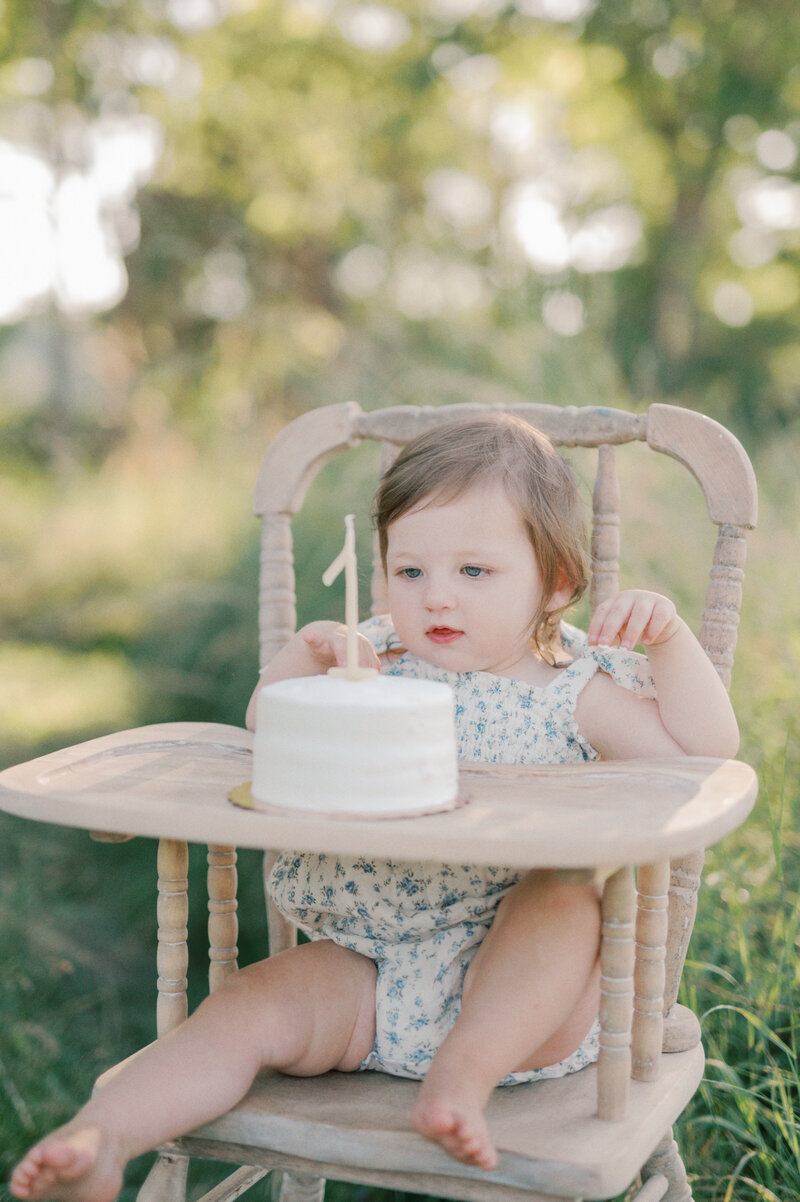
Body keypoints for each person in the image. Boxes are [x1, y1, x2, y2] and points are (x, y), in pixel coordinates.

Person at [11, 413, 739, 1202]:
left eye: (474, 572)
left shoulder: (575, 687)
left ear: (556, 583)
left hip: (520, 999)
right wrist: (312, 654)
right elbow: (266, 725)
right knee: (246, 1005)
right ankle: (103, 1137)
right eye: (410, 571)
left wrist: (670, 644)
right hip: (360, 969)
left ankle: (461, 1078)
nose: (436, 598)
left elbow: (699, 757)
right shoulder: (376, 660)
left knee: (565, 897)